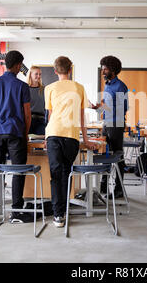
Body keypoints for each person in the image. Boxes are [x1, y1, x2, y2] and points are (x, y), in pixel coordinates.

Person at [45, 56, 98, 228]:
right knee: (65, 173)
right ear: (70, 69)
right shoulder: (79, 87)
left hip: (53, 134)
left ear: (55, 71)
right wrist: (87, 138)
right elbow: (82, 116)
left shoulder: (49, 88)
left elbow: (51, 116)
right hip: (71, 136)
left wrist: (47, 136)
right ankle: (63, 210)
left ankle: (58, 214)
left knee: (55, 175)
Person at [0, 51, 32, 223]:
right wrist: (25, 134)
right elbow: (27, 115)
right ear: (18, 65)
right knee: (18, 170)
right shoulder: (22, 86)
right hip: (16, 132)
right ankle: (16, 212)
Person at [92, 55, 128, 199]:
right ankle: (103, 186)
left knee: (117, 156)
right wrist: (99, 107)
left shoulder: (120, 86)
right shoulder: (108, 85)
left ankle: (118, 189)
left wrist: (104, 107)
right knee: (104, 154)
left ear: (113, 70)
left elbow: (121, 109)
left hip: (116, 125)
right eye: (102, 69)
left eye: (105, 69)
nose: (103, 71)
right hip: (106, 124)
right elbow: (109, 106)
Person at [26, 66, 46, 135]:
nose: (38, 76)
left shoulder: (44, 89)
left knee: (40, 144)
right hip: (28, 120)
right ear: (30, 75)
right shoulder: (25, 89)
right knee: (26, 144)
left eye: (40, 74)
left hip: (41, 121)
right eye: (36, 74)